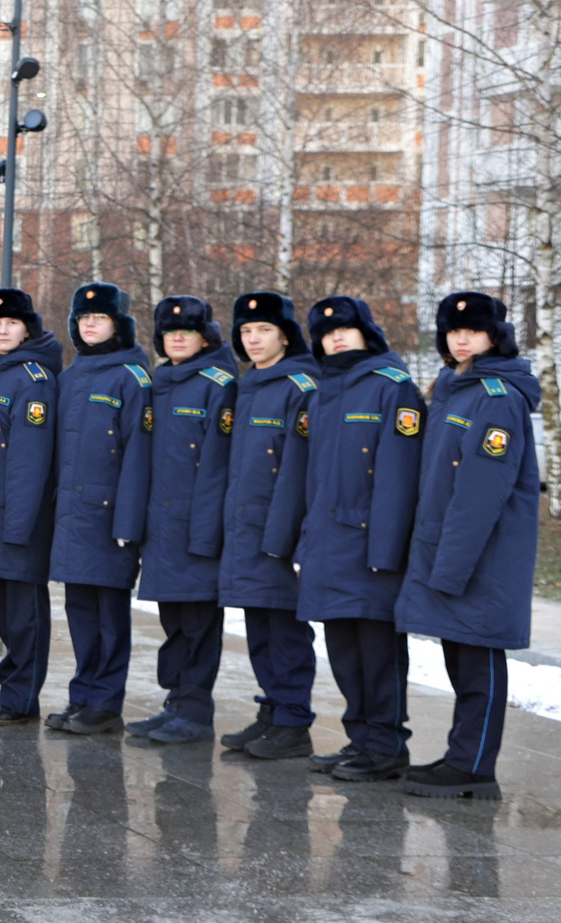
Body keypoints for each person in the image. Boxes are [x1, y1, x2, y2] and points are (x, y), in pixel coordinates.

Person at [395, 291, 539, 800]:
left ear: (494, 337)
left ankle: (476, 767)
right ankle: (463, 757)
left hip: (483, 555)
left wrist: (449, 567)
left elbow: (480, 495)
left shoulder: (496, 398)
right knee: (462, 657)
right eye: (453, 331)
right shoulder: (455, 389)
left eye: (473, 331)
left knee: (478, 660)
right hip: (451, 549)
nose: (461, 338)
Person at [296, 295, 426, 780]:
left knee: (378, 652)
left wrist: (386, 552)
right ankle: (359, 739)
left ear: (367, 333)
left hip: (371, 546)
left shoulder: (393, 388)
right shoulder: (321, 392)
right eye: (327, 334)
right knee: (344, 651)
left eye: (345, 330)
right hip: (328, 544)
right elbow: (313, 479)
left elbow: (399, 478)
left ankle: (387, 744)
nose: (336, 338)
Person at [122, 296, 240, 744]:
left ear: (204, 337)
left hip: (197, 525)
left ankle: (195, 711)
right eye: (170, 333)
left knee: (198, 622)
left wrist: (206, 532)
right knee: (174, 620)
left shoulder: (219, 383)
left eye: (186, 332)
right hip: (162, 526)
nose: (177, 339)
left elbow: (216, 467)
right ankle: (176, 702)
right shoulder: (160, 381)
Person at [217, 292, 320, 759]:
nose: (254, 339)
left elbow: (302, 469)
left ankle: (294, 720)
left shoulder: (300, 384)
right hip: (246, 526)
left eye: (263, 330)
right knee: (258, 624)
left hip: (281, 530)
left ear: (284, 334)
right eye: (245, 332)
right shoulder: (247, 384)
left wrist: (290, 536)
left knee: (285, 629)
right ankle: (273, 710)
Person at [47, 283, 153, 735]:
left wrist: (128, 523)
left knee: (109, 614)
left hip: (109, 519)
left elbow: (138, 455)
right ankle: (82, 695)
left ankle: (106, 702)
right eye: (83, 319)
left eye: (101, 319)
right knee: (80, 611)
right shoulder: (71, 376)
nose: (90, 325)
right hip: (73, 516)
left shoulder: (132, 377)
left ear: (119, 325)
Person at [0, 288, 60, 725]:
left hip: (16, 517)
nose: (2, 329)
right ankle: (11, 689)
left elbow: (29, 460)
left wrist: (19, 525)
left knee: (24, 615)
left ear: (28, 329)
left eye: (12, 323)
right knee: (4, 611)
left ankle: (22, 697)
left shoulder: (33, 378)